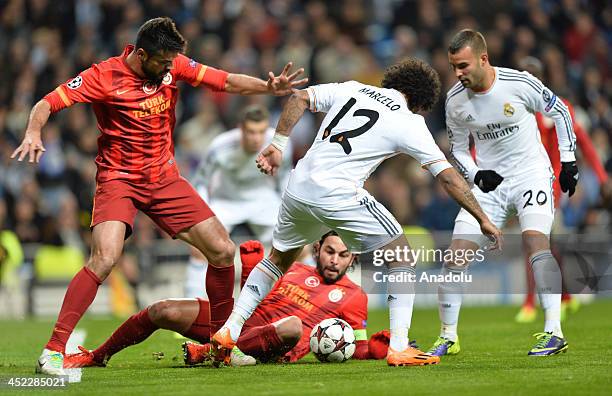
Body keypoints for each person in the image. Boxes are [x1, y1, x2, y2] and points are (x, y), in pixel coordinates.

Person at [10, 17, 307, 376]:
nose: (170, 69)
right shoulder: (103, 75)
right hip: (119, 179)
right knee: (105, 259)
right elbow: (47, 103)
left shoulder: (173, 62)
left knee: (222, 250)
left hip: (164, 178)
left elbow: (225, 81)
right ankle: (54, 349)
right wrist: (33, 132)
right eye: (163, 63)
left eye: (172, 63)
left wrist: (267, 87)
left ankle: (218, 345)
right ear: (140, 54)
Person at [211, 57, 502, 367]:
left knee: (278, 259)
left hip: (299, 186)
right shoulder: (409, 121)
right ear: (420, 102)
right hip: (338, 192)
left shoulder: (352, 89)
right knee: (401, 254)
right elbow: (446, 176)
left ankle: (229, 331)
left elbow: (299, 97)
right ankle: (400, 347)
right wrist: (482, 217)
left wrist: (279, 144)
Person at [426, 30, 578, 358]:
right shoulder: (454, 101)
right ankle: (448, 336)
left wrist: (568, 161)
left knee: (536, 241)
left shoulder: (519, 83)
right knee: (455, 257)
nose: (458, 73)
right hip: (489, 185)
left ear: (483, 59)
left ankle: (554, 332)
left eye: (463, 65)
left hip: (530, 175)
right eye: (453, 67)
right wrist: (477, 173)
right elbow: (459, 150)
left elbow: (561, 111)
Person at [64, 233, 387, 367]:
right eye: (330, 251)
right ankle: (98, 356)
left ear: (352, 259)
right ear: (318, 250)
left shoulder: (354, 296)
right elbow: (253, 297)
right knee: (162, 310)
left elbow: (352, 345)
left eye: (344, 255)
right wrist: (249, 270)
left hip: (274, 345)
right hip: (238, 324)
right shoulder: (293, 268)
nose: (335, 260)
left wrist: (374, 349)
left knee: (292, 326)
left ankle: (211, 352)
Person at [514, 56, 608, 324]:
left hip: (551, 182)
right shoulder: (515, 109)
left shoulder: (558, 107)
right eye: (524, 75)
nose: (527, 80)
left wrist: (601, 178)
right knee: (548, 245)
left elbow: (585, 143)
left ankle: (530, 303)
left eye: (532, 76)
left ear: (541, 78)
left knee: (533, 241)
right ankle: (565, 297)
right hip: (525, 180)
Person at [185, 104, 292, 300]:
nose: (256, 138)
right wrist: (201, 216)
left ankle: (304, 302)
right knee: (199, 248)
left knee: (296, 246)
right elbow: (201, 181)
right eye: (251, 132)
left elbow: (285, 179)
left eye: (261, 131)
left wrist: (289, 211)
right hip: (226, 200)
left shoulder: (279, 144)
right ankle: (191, 307)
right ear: (240, 129)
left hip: (262, 199)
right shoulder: (220, 146)